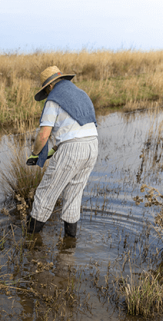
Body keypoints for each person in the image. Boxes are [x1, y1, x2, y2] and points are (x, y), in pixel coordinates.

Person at [25, 66, 98, 238]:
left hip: (72, 149)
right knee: (73, 195)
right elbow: (80, 127)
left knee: (45, 193)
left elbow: (43, 136)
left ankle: (29, 244)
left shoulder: (53, 100)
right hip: (93, 146)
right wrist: (57, 148)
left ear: (49, 86)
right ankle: (69, 250)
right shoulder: (82, 94)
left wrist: (35, 154)